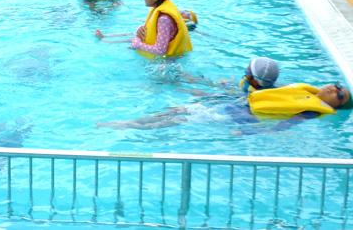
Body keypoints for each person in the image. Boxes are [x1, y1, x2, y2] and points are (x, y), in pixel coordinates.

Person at [97, 83, 352, 132]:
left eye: (340, 96)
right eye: (338, 86)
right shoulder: (300, 89)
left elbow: (284, 126)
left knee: (178, 120)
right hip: (234, 104)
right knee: (177, 109)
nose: (335, 90)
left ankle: (124, 127)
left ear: (336, 106)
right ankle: (129, 121)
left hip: (241, 118)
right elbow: (260, 90)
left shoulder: (312, 110)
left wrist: (247, 133)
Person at [95, 0, 192, 58]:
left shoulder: (163, 19)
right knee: (135, 35)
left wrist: (138, 44)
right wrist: (139, 30)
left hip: (168, 62)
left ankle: (105, 41)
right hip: (167, 57)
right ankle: (105, 38)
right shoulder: (160, 8)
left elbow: (160, 50)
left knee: (134, 40)